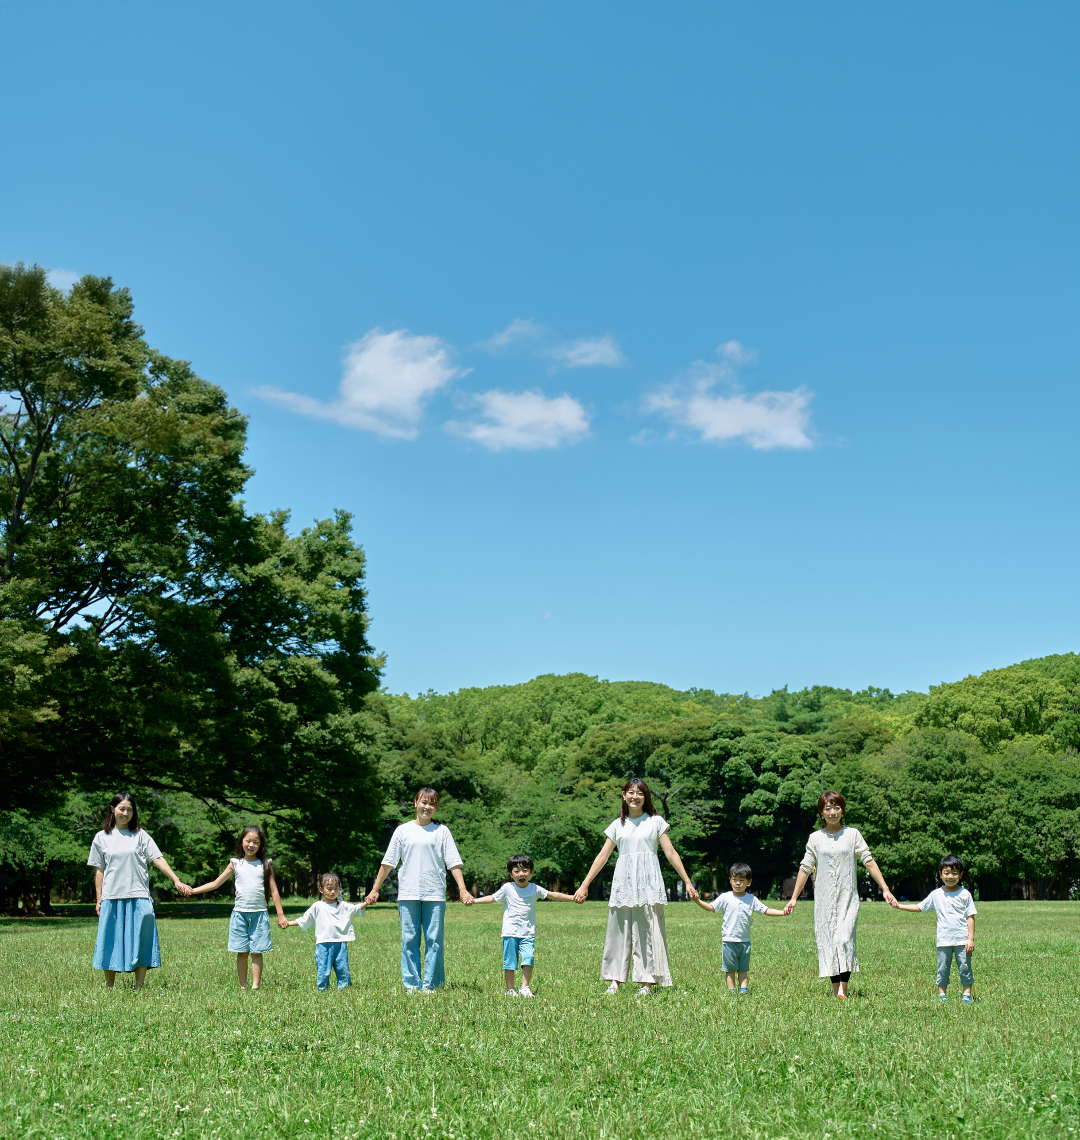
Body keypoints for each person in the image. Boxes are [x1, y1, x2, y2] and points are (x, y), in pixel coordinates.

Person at [574, 777, 698, 995]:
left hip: (649, 883)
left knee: (647, 932)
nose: (635, 796)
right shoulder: (617, 825)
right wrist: (584, 885)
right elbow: (602, 857)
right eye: (630, 792)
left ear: (645, 797)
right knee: (617, 931)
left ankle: (647, 982)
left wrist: (687, 881)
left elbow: (670, 853)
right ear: (624, 796)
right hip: (624, 883)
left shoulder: (656, 822)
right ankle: (614, 981)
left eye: (640, 793)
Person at [782, 790, 896, 998]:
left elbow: (868, 861)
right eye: (828, 808)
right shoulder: (815, 838)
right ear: (821, 813)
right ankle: (838, 991)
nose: (832, 812)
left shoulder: (853, 834)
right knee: (828, 941)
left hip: (847, 898)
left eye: (836, 807)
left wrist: (885, 889)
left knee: (844, 938)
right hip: (824, 900)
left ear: (842, 810)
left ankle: (844, 987)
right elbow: (805, 868)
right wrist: (794, 897)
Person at [364, 788, 474, 992]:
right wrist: (374, 889)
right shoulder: (402, 830)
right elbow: (388, 863)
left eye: (432, 804)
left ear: (436, 807)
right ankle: (412, 986)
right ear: (415, 803)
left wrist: (463, 890)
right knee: (409, 940)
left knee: (434, 941)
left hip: (434, 894)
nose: (428, 807)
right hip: (408, 893)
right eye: (424, 802)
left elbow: (454, 864)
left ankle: (431, 986)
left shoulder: (442, 831)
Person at [86, 793, 191, 989]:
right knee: (111, 940)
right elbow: (99, 870)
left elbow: (157, 858)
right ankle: (109, 987)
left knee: (141, 940)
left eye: (129, 809)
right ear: (112, 809)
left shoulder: (140, 835)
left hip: (139, 895)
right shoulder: (102, 837)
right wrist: (99, 898)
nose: (125, 813)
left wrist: (175, 879)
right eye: (121, 808)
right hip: (112, 897)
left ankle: (139, 987)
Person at [187, 825, 288, 990]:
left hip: (259, 914)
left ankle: (255, 986)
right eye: (248, 841)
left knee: (257, 951)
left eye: (256, 842)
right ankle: (243, 986)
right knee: (242, 951)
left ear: (261, 845)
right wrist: (193, 891)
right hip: (239, 914)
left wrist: (281, 914)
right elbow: (216, 883)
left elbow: (274, 889)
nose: (251, 845)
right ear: (241, 842)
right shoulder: (235, 863)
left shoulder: (266, 863)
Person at [472, 853, 575, 996]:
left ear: (531, 873)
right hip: (510, 932)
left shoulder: (534, 889)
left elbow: (552, 895)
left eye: (525, 871)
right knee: (510, 962)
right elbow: (493, 898)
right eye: (517, 871)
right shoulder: (508, 888)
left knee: (528, 958)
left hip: (527, 933)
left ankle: (524, 988)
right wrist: (474, 901)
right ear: (511, 874)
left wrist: (572, 898)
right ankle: (510, 990)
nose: (521, 874)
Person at [892, 854, 977, 1002]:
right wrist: (899, 906)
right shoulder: (936, 894)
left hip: (962, 940)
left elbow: (970, 916)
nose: (950, 876)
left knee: (964, 968)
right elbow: (920, 907)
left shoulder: (965, 894)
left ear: (961, 875)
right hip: (943, 940)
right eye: (947, 873)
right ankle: (942, 996)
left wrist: (970, 939)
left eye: (955, 873)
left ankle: (966, 996)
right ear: (940, 874)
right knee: (942, 969)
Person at [693, 861, 786, 994]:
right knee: (730, 970)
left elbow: (766, 910)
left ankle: (744, 991)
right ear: (730, 880)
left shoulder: (751, 899)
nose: (738, 883)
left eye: (741, 880)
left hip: (745, 941)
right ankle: (731, 992)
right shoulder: (725, 897)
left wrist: (782, 912)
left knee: (743, 969)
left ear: (749, 882)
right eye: (735, 880)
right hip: (729, 941)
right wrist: (697, 901)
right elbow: (711, 907)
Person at [288, 872, 366, 990]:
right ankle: (323, 991)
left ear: (340, 889)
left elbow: (355, 909)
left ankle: (344, 990)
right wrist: (288, 923)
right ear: (321, 890)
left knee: (343, 969)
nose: (333, 892)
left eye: (336, 888)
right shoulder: (318, 906)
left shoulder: (343, 905)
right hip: (323, 944)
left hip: (340, 943)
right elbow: (304, 919)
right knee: (323, 970)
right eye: (329, 889)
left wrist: (367, 902)